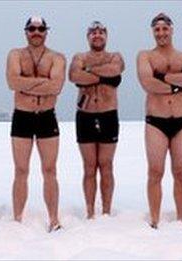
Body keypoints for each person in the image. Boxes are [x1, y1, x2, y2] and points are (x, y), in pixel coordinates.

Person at [136, 13, 182, 228]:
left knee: (180, 172)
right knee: (155, 171)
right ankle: (154, 219)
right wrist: (177, 84)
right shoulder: (145, 56)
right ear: (153, 32)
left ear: (172, 29)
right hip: (156, 121)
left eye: (164, 28)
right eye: (157, 29)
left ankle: (181, 219)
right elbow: (147, 83)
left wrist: (162, 77)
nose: (161, 33)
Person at [6, 16, 66, 232]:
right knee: (21, 170)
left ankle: (54, 219)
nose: (36, 32)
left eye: (40, 28)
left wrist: (26, 84)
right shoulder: (16, 55)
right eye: (32, 28)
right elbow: (13, 81)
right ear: (26, 31)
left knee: (50, 169)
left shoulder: (57, 57)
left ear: (46, 31)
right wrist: (43, 83)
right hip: (22, 116)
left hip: (46, 116)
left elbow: (57, 86)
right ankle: (17, 218)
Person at [68, 21, 124, 219]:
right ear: (88, 37)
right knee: (89, 166)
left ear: (106, 36)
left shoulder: (115, 56)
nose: (97, 35)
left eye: (101, 32)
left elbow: (115, 71)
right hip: (85, 116)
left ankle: (106, 211)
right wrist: (101, 75)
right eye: (93, 33)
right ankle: (90, 211)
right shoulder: (79, 57)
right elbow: (74, 75)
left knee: (106, 165)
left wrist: (89, 71)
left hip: (108, 114)